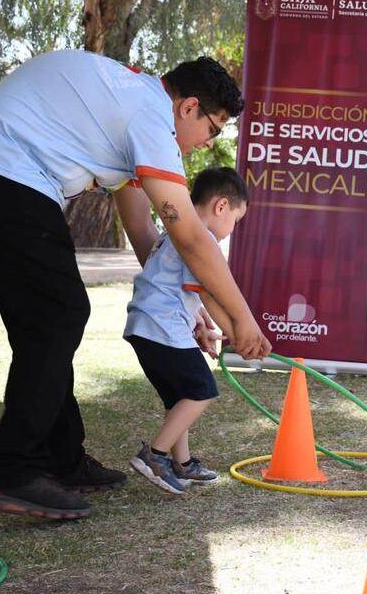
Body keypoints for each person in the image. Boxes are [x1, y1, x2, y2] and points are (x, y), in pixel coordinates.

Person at [0, 50, 271, 520]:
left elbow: (142, 231)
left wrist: (184, 305)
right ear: (189, 107)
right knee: (59, 314)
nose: (207, 143)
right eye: (212, 128)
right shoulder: (151, 118)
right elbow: (192, 238)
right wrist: (243, 320)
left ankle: (60, 458)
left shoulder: (131, 106)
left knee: (46, 319)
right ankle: (13, 470)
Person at [125, 167, 247, 494]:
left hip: (147, 327)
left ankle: (183, 463)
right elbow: (208, 292)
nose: (232, 229)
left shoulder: (173, 234)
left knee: (180, 397)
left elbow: (180, 292)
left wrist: (199, 327)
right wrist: (235, 333)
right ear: (221, 206)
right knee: (201, 389)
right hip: (161, 327)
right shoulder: (200, 239)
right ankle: (155, 455)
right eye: (236, 220)